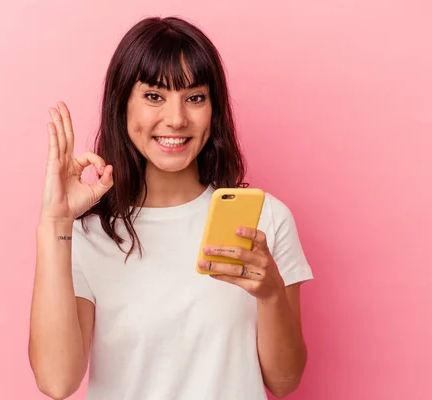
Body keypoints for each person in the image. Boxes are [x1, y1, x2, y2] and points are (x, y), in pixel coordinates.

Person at [28, 16, 313, 400]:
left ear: (214, 109)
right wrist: (55, 223)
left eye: (195, 98)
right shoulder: (85, 234)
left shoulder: (266, 219)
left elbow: (284, 381)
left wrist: (271, 294)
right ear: (122, 105)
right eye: (154, 96)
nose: (176, 119)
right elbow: (56, 382)